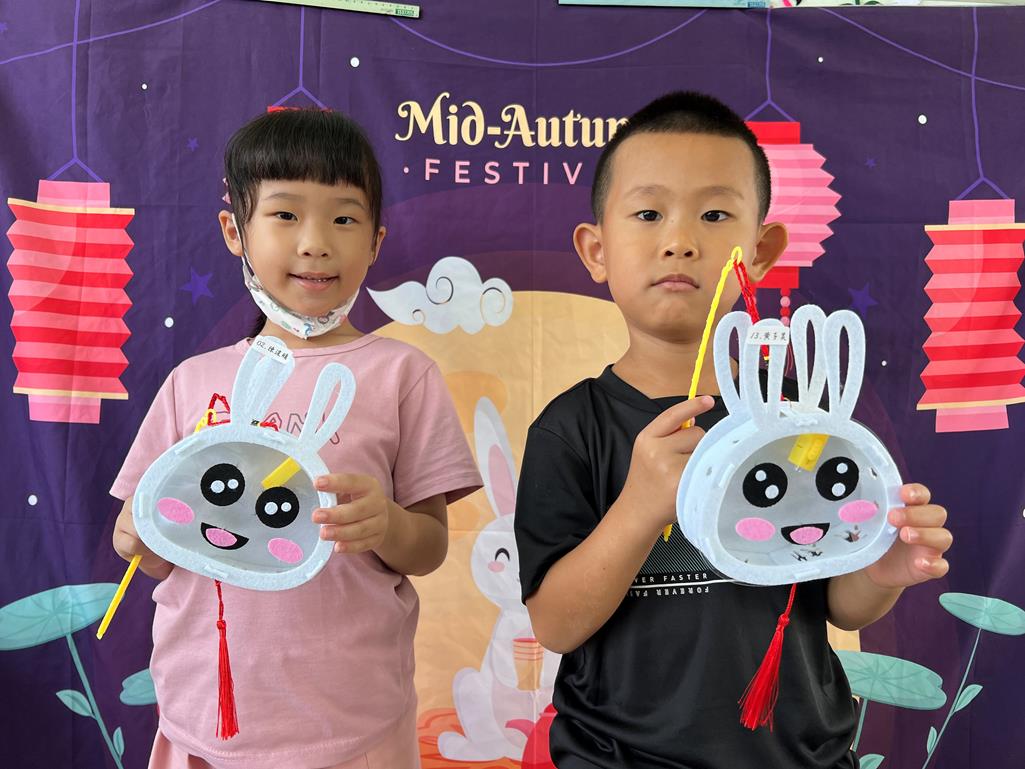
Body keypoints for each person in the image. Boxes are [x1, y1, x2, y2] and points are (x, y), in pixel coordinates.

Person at [514, 91, 953, 769]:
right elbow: (556, 624)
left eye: (714, 214)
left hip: (798, 754)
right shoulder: (570, 429)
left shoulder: (802, 420)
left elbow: (837, 605)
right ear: (596, 250)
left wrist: (882, 570)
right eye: (648, 214)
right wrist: (639, 507)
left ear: (761, 250)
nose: (680, 240)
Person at [111, 108, 482, 769]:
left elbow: (428, 546)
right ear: (235, 230)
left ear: (376, 240)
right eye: (285, 214)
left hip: (353, 722)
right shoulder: (192, 382)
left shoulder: (402, 375)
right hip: (204, 716)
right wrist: (136, 538)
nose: (315, 243)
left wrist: (387, 523)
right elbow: (154, 547)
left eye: (344, 219)